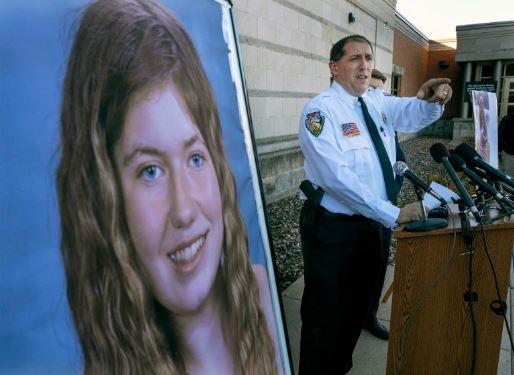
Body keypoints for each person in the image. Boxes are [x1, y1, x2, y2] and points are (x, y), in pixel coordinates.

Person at [56, 0, 279, 374]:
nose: (185, 210)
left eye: (195, 158)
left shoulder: (264, 297)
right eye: (149, 171)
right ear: (104, 200)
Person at [298, 34, 452, 374]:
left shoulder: (375, 100)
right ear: (334, 67)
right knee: (327, 318)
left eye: (368, 57)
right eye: (355, 58)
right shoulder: (320, 111)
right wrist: (394, 213)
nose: (364, 64)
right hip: (335, 231)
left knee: (356, 311)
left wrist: (428, 101)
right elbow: (336, 178)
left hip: (373, 225)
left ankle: (339, 367)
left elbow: (410, 114)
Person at [362, 68, 406, 340]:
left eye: (381, 91)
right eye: (371, 90)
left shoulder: (386, 123)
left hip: (384, 211)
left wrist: (391, 197)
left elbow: (399, 162)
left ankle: (369, 317)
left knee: (378, 266)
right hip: (354, 213)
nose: (377, 96)